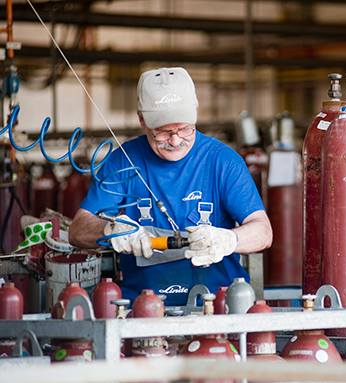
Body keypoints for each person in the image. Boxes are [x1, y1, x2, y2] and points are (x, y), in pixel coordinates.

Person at [69, 67, 272, 306]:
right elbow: (77, 229)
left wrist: (229, 239)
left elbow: (263, 232)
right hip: (144, 310)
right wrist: (110, 229)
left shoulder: (222, 160)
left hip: (217, 308)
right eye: (163, 132)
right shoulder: (124, 161)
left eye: (185, 129)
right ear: (142, 120)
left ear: (195, 113)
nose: (176, 141)